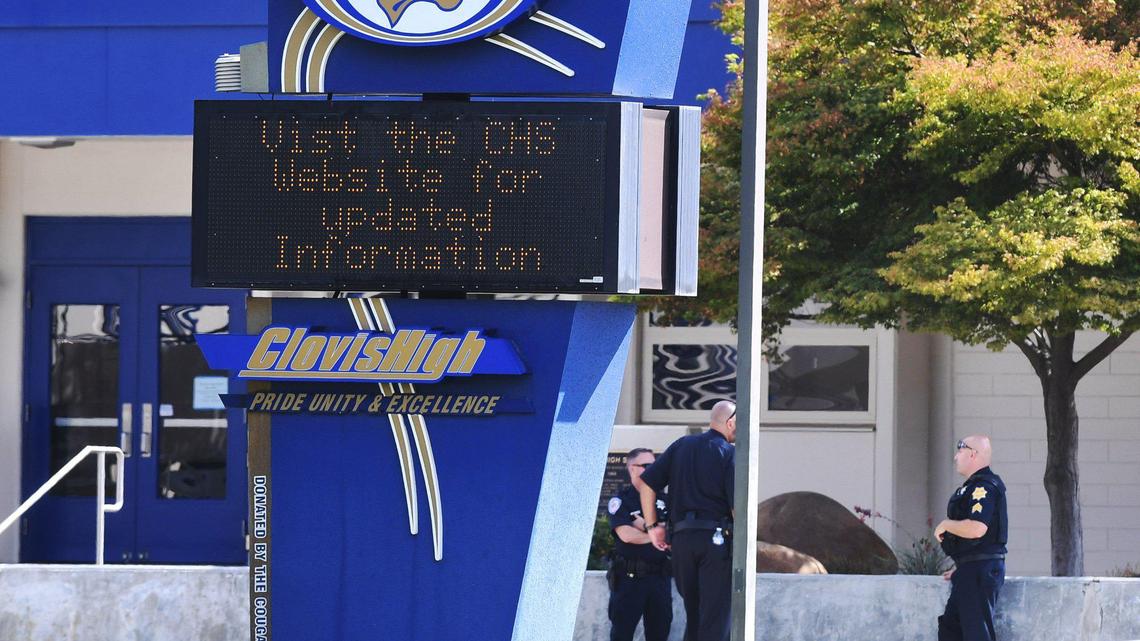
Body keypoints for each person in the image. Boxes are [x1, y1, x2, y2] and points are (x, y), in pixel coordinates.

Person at [638, 400, 736, 641]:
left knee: (695, 615)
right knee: (715, 618)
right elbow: (737, 508)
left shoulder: (681, 445)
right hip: (716, 543)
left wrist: (652, 527)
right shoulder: (729, 453)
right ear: (730, 422)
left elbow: (647, 484)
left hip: (682, 542)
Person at [935, 435, 1008, 641]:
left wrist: (946, 524)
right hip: (971, 570)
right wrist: (964, 565)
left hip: (979, 571)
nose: (956, 457)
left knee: (976, 634)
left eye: (960, 450)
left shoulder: (984, 487)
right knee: (950, 630)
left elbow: (977, 528)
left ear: (973, 454)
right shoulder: (972, 487)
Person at [605, 448, 673, 641]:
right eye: (646, 466)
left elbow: (674, 534)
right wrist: (657, 533)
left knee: (659, 633)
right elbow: (626, 535)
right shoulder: (622, 500)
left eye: (655, 465)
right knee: (622, 634)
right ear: (632, 469)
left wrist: (644, 526)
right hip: (629, 580)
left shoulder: (665, 500)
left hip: (659, 578)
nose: (653, 470)